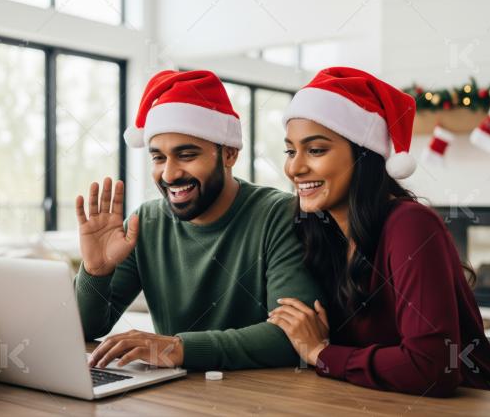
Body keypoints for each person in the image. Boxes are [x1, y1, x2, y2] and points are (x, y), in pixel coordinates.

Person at [267, 67, 490, 397]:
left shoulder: (410, 225)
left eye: (316, 150)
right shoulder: (322, 233)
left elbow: (434, 367)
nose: (294, 168)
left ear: (364, 156)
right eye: (290, 151)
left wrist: (320, 353)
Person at [75, 70, 320, 371]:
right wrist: (95, 272)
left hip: (263, 396)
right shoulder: (146, 221)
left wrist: (179, 349)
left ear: (229, 154)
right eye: (158, 158)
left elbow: (293, 338)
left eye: (186, 155)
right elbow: (86, 329)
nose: (169, 174)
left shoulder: (280, 215)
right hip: (174, 394)